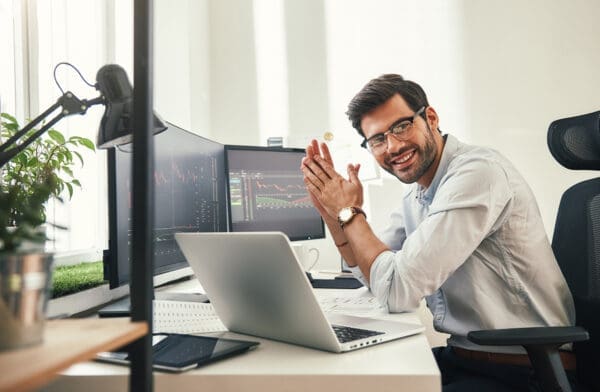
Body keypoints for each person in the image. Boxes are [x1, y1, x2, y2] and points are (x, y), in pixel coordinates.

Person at [301, 74, 575, 391]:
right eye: (377, 140)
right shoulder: (418, 195)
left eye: (401, 126)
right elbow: (374, 278)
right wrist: (336, 217)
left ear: (430, 118)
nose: (392, 147)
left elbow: (397, 291)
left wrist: (351, 214)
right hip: (468, 360)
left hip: (527, 371)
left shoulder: (477, 173)